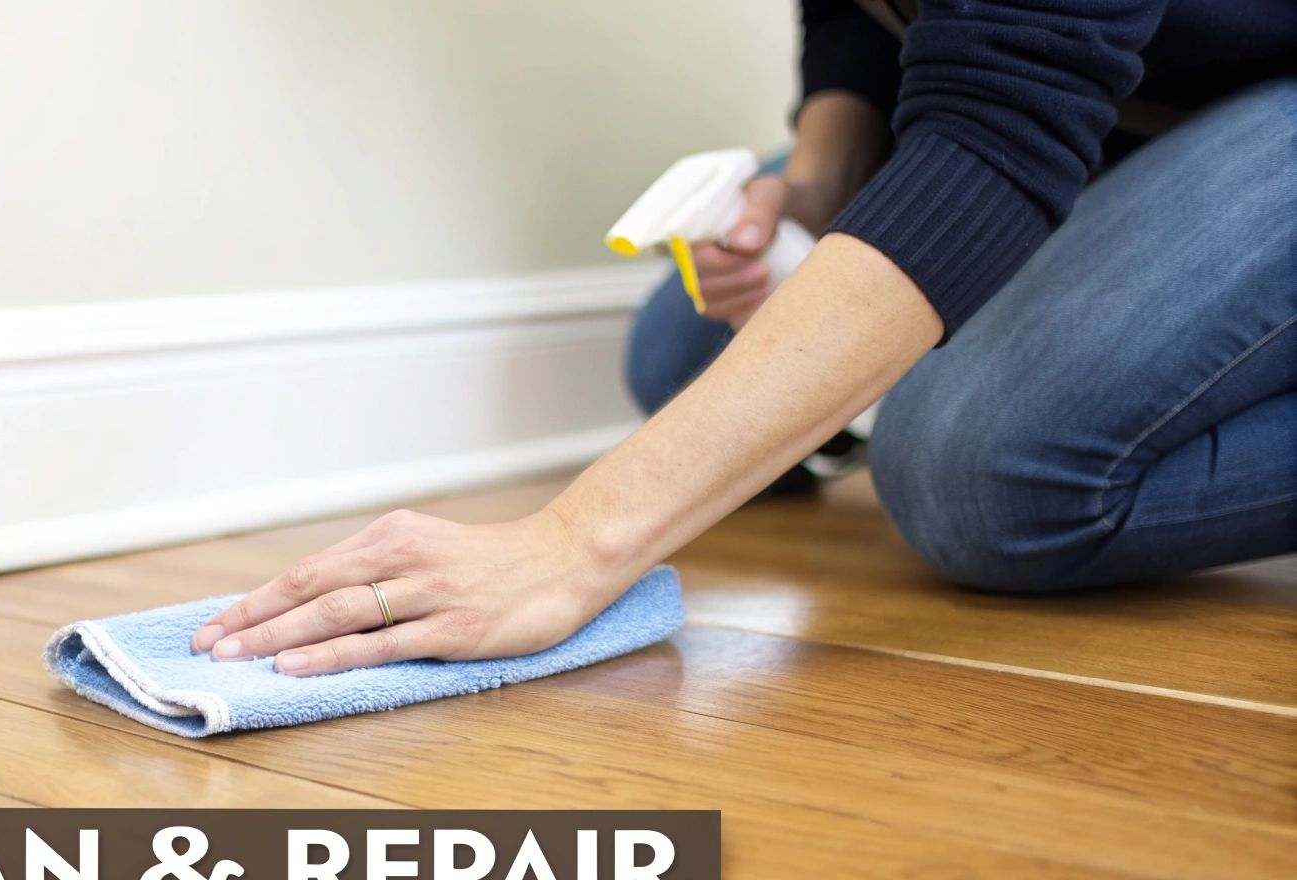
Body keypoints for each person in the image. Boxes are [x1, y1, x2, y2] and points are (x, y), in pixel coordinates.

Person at [190, 1, 1297, 677]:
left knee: (973, 474)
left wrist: (574, 542)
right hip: (1125, 99)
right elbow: (864, 21)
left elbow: (994, 136)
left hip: (1249, 98)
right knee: (680, 350)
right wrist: (814, 191)